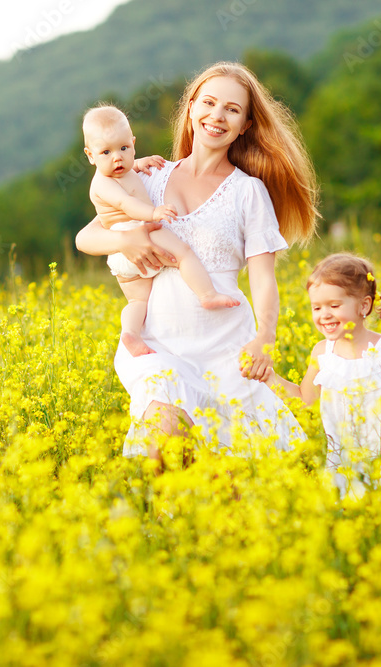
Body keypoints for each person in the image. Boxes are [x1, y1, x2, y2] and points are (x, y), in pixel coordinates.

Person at [75, 62, 320, 463]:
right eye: (208, 102)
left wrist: (265, 338)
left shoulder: (248, 192)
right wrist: (128, 240)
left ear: (245, 125)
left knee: (229, 490)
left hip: (225, 350)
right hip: (160, 346)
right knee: (163, 448)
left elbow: (262, 278)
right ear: (190, 108)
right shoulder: (148, 176)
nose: (217, 115)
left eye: (232, 109)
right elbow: (86, 237)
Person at [263, 253, 381, 497]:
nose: (324, 314)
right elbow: (306, 400)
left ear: (363, 306)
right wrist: (270, 378)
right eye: (317, 307)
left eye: (334, 306)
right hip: (346, 461)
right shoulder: (323, 353)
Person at [82, 105, 241, 357]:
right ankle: (207, 293)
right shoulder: (102, 183)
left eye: (124, 149)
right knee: (184, 254)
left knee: (138, 301)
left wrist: (140, 162)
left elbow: (127, 170)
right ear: (90, 155)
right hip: (139, 231)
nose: (117, 158)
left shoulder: (118, 171)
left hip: (121, 257)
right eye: (106, 152)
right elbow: (127, 204)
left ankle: (131, 333)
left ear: (133, 144)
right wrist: (153, 214)